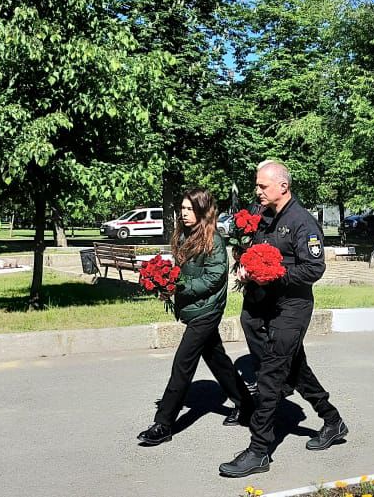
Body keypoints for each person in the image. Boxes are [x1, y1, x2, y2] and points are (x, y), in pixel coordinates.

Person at [219, 160, 346, 478]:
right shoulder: (260, 217)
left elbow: (314, 269)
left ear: (283, 187)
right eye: (257, 185)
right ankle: (332, 420)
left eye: (263, 185)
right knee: (292, 367)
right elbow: (252, 249)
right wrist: (245, 264)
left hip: (292, 308)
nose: (257, 190)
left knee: (271, 375)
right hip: (261, 305)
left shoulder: (303, 222)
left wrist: (273, 274)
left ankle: (259, 451)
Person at [136, 188, 253, 446]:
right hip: (194, 306)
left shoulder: (214, 241)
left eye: (189, 209)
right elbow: (181, 271)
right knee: (217, 359)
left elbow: (213, 278)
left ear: (203, 210)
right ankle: (247, 404)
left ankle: (163, 424)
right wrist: (164, 283)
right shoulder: (185, 235)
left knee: (182, 364)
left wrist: (179, 285)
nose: (184, 213)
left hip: (207, 309)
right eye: (183, 208)